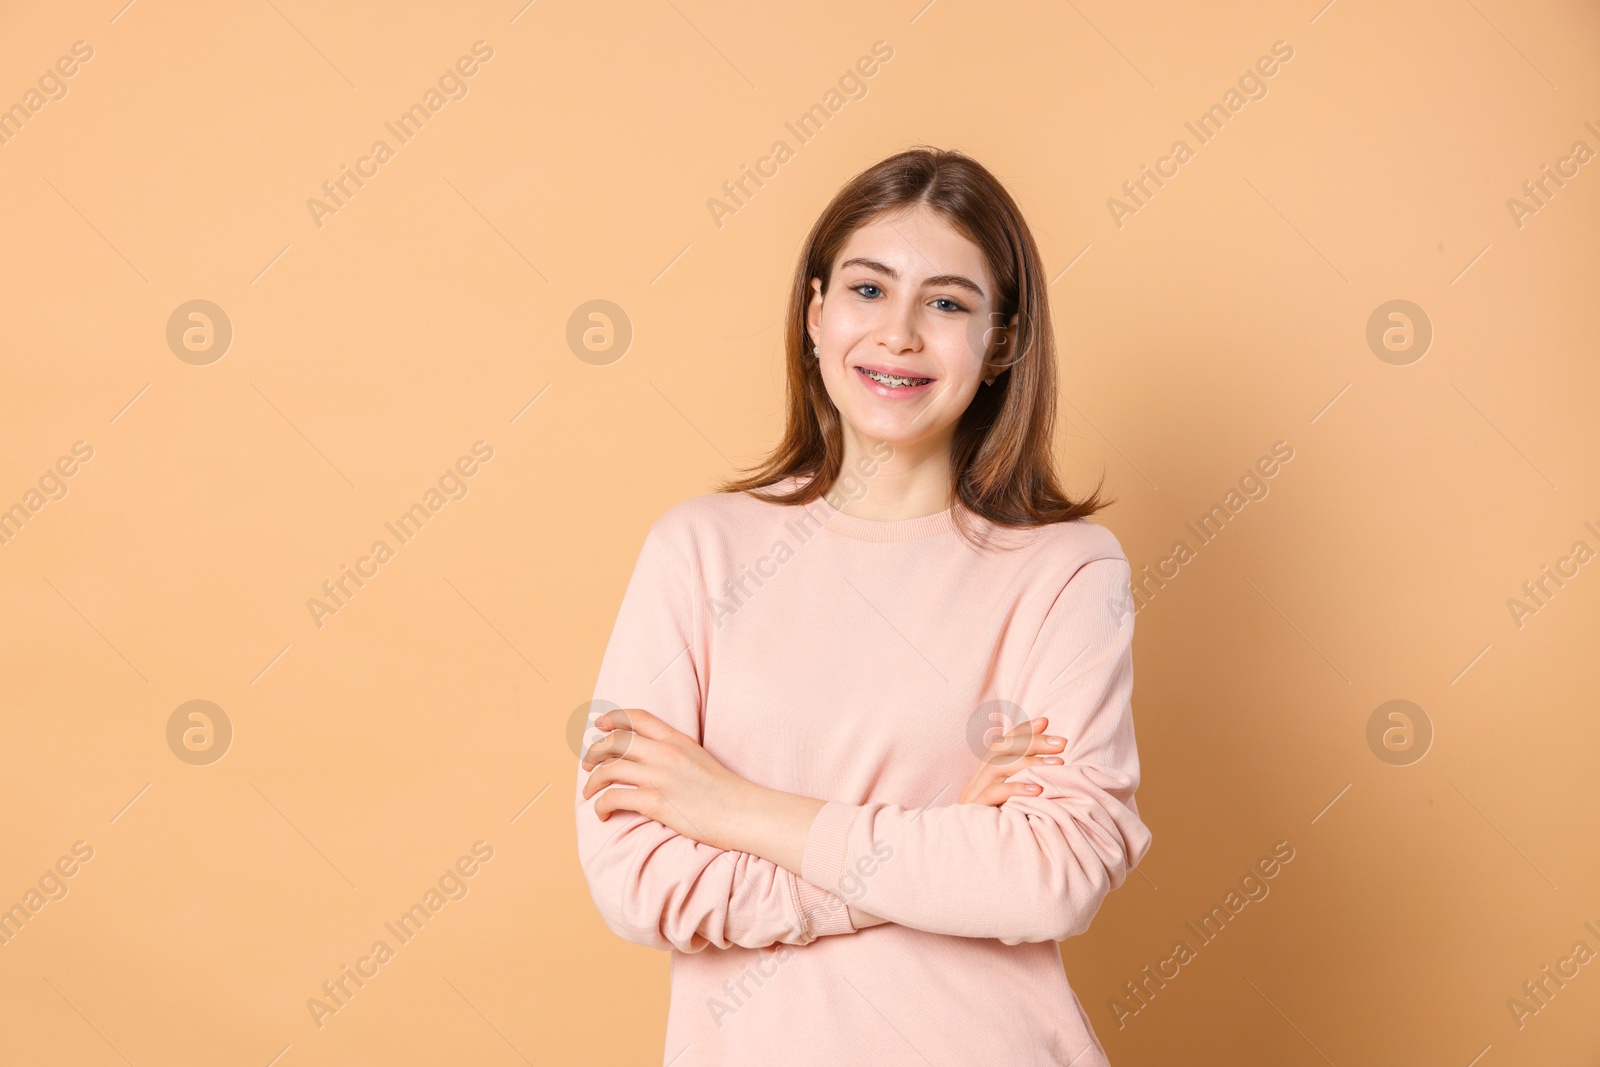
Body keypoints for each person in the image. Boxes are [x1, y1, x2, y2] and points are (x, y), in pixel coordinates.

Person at [573, 145, 1152, 1066]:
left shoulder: (1068, 571)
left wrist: (735, 807)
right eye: (869, 290)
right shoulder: (696, 550)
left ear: (1002, 341)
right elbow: (638, 879)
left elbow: (1052, 875)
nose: (901, 335)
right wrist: (926, 856)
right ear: (815, 312)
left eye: (949, 302)